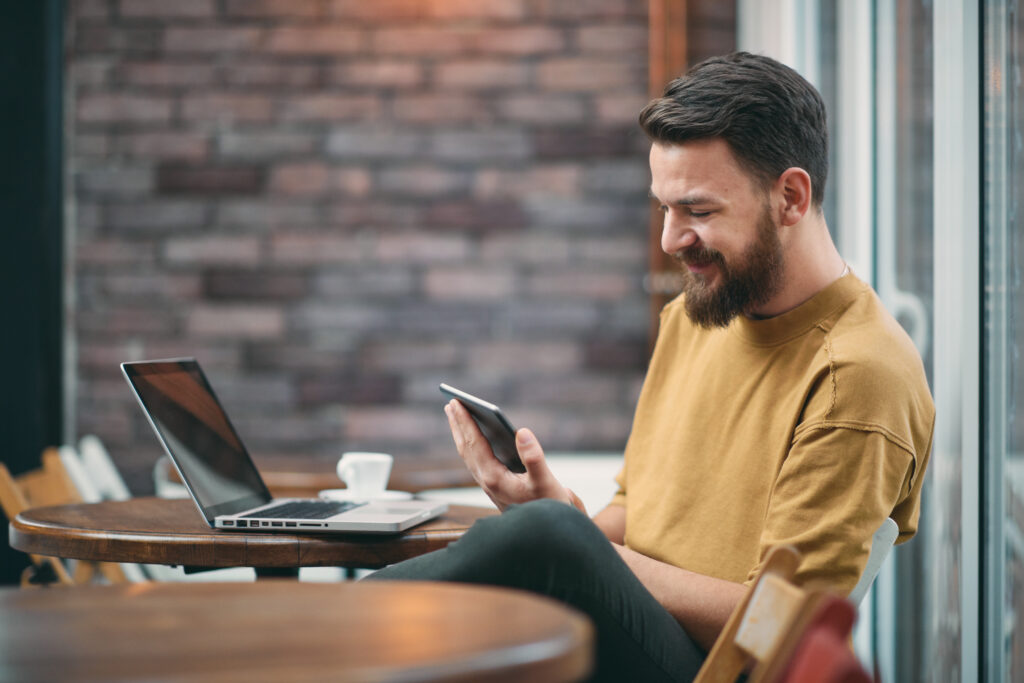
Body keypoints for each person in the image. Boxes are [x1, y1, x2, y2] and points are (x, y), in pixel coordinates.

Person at [368, 52, 934, 682]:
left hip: (713, 670)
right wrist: (561, 513)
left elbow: (783, 622)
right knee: (532, 547)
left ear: (791, 198)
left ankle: (298, 632)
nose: (669, 239)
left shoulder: (857, 375)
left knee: (544, 542)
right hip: (631, 634)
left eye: (698, 210)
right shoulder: (699, 315)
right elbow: (640, 510)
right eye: (664, 208)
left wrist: (577, 544)